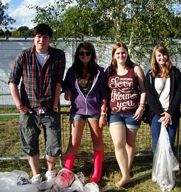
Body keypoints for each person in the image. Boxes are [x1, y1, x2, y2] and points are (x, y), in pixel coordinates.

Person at [8, 23, 66, 184]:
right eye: (39, 36)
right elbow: (13, 81)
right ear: (34, 37)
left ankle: (49, 172)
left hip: (50, 107)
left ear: (50, 39)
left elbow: (58, 82)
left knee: (53, 142)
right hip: (29, 109)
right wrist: (19, 104)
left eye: (45, 36)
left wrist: (55, 103)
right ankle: (35, 174)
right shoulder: (24, 56)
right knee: (29, 141)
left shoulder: (58, 55)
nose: (41, 39)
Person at [55, 42, 107, 187]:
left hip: (95, 112)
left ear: (92, 55)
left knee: (97, 142)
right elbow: (65, 84)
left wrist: (103, 113)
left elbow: (104, 94)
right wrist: (67, 90)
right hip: (77, 111)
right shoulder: (72, 71)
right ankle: (66, 172)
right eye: (81, 53)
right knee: (73, 143)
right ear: (77, 55)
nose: (84, 56)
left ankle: (97, 173)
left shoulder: (100, 72)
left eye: (88, 53)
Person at [106, 42, 146, 188]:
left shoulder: (135, 69)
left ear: (127, 53)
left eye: (123, 52)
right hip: (115, 113)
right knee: (118, 143)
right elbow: (105, 92)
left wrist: (141, 107)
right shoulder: (109, 71)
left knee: (130, 144)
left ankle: (126, 171)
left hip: (132, 113)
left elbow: (143, 90)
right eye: (118, 53)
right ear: (114, 56)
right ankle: (125, 176)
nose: (121, 55)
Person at [145, 44, 181, 153]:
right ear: (155, 57)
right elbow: (150, 97)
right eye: (159, 55)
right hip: (156, 114)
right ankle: (158, 169)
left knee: (169, 145)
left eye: (164, 54)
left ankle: (168, 170)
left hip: (172, 114)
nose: (162, 57)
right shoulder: (150, 75)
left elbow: (178, 93)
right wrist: (162, 114)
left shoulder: (175, 73)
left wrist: (169, 113)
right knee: (157, 145)